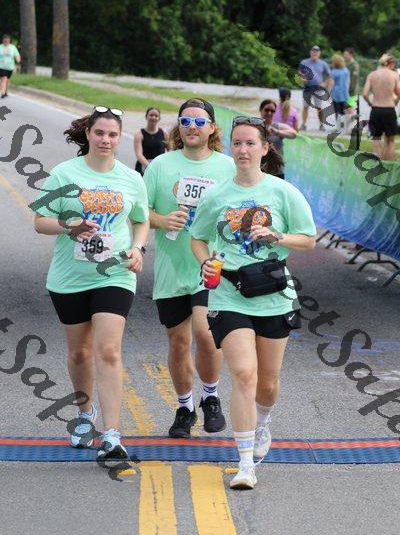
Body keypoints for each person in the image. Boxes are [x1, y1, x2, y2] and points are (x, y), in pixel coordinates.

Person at [191, 116, 316, 489]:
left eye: (250, 143)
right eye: (237, 143)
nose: (243, 150)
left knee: (268, 382)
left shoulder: (283, 192)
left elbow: (308, 239)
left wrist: (277, 236)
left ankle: (263, 422)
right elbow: (198, 238)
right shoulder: (217, 195)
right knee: (244, 374)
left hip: (274, 296)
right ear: (230, 147)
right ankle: (245, 464)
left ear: (264, 148)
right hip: (229, 293)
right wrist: (206, 262)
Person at [34, 106, 149, 461]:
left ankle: (112, 435)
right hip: (70, 277)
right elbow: (40, 221)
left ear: (120, 138)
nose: (106, 140)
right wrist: (69, 226)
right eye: (99, 133)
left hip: (114, 273)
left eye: (113, 135)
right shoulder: (64, 173)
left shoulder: (131, 179)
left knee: (109, 350)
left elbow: (141, 219)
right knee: (80, 353)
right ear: (88, 134)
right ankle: (85, 415)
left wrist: (137, 247)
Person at [143, 98, 236, 438]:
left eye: (199, 121)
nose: (192, 127)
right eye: (185, 121)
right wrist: (162, 219)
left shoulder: (228, 167)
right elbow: (140, 212)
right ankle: (185, 408)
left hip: (209, 266)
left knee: (206, 334)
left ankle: (210, 397)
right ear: (178, 127)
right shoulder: (161, 165)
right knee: (178, 343)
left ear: (212, 128)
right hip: (171, 268)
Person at [363, 53, 400, 160]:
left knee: (376, 138)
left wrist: (370, 103)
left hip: (376, 109)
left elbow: (365, 94)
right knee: (390, 140)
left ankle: (377, 164)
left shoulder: (372, 75)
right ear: (390, 64)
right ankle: (389, 165)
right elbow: (399, 93)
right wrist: (396, 101)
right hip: (389, 109)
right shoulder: (394, 75)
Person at [298, 45, 333, 132]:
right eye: (313, 51)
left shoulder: (323, 64)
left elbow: (329, 75)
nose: (315, 53)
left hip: (318, 88)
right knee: (305, 106)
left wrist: (325, 83)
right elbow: (299, 72)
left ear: (319, 53)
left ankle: (321, 125)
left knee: (319, 107)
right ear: (310, 52)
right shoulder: (304, 62)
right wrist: (302, 78)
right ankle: (303, 124)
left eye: (317, 51)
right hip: (307, 87)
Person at [259, 99, 297, 178]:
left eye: (272, 111)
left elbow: (294, 134)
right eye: (267, 110)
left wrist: (276, 132)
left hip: (277, 171)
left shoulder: (277, 126)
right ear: (261, 110)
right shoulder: (255, 126)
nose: (269, 113)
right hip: (259, 170)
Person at [134, 107, 168, 175]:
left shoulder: (164, 133)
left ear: (159, 118)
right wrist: (151, 167)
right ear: (146, 116)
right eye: (151, 115)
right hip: (143, 168)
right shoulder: (139, 134)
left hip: (159, 169)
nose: (153, 117)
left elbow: (170, 150)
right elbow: (139, 154)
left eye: (156, 116)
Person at [330, 54, 350, 132]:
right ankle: (344, 127)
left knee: (337, 110)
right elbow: (348, 81)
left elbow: (331, 84)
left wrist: (329, 92)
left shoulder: (334, 72)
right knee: (343, 110)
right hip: (344, 92)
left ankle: (339, 128)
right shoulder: (346, 70)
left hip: (336, 93)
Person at [343, 48, 360, 134]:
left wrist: (349, 90)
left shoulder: (354, 65)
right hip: (345, 91)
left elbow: (354, 80)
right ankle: (346, 128)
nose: (344, 56)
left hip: (351, 91)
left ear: (351, 55)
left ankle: (350, 128)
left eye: (346, 54)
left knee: (350, 109)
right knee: (346, 110)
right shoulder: (346, 64)